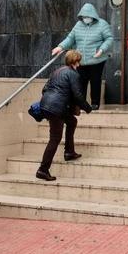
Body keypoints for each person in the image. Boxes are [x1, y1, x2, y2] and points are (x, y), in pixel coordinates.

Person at [37, 50, 92, 181]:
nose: (79, 64)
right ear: (75, 62)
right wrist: (87, 107)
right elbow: (77, 95)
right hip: (56, 108)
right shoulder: (73, 74)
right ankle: (43, 170)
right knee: (55, 139)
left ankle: (69, 152)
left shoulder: (57, 71)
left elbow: (44, 89)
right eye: (79, 61)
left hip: (47, 105)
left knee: (72, 121)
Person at [52, 3, 113, 110]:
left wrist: (102, 49)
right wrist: (60, 47)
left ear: (93, 15)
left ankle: (95, 103)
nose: (85, 19)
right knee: (80, 81)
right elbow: (70, 38)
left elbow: (109, 38)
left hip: (96, 59)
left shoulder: (102, 24)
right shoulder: (78, 25)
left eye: (87, 16)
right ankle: (81, 103)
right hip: (81, 60)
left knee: (95, 81)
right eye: (83, 17)